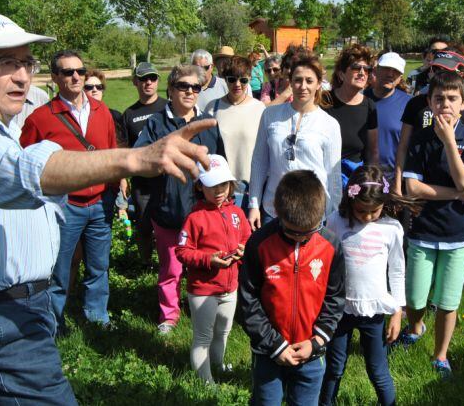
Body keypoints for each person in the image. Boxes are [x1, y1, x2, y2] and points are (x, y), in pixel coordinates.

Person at [0, 13, 216, 404]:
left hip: (13, 315)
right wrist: (137, 159)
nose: (22, 76)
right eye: (6, 63)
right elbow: (30, 172)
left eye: (26, 62)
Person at [21, 50, 118, 333]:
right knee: (59, 270)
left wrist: (112, 194)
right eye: (67, 72)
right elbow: (27, 164)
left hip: (100, 203)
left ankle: (97, 316)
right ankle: (54, 322)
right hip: (64, 206)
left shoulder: (103, 113)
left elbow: (111, 154)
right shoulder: (41, 118)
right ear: (54, 77)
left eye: (80, 70)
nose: (76, 76)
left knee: (99, 266)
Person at [400, 71, 464, 379]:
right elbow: (413, 189)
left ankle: (440, 354)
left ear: (463, 105)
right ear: (429, 103)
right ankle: (415, 326)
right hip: (423, 230)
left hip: (459, 233)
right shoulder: (420, 138)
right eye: (439, 99)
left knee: (448, 301)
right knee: (414, 296)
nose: (445, 105)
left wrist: (449, 140)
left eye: (452, 99)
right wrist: (460, 194)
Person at [239, 170, 345, 405]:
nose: (299, 238)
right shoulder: (259, 244)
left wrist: (316, 341)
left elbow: (335, 298)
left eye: (307, 233)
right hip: (268, 353)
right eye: (291, 231)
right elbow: (248, 301)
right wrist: (274, 345)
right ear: (277, 212)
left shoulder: (331, 246)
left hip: (311, 353)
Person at [319, 165, 421, 406]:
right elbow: (326, 262)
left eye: (373, 211)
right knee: (334, 366)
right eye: (361, 210)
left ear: (383, 204)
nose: (366, 217)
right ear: (350, 199)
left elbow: (397, 271)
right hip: (340, 310)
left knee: (377, 370)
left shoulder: (391, 229)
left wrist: (397, 312)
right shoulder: (336, 221)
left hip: (374, 312)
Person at [134, 64, 225, 334]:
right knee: (171, 269)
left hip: (201, 211)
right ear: (171, 90)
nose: (189, 91)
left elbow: (219, 163)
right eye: (183, 86)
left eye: (195, 87)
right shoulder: (156, 123)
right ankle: (169, 317)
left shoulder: (207, 123)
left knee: (205, 265)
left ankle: (204, 309)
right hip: (168, 209)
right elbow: (140, 159)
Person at [175, 154, 250, 383]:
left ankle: (217, 366)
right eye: (212, 186)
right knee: (203, 337)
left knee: (223, 332)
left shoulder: (237, 213)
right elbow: (182, 251)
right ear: (200, 186)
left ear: (230, 185)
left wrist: (243, 251)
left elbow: (248, 238)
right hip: (203, 290)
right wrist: (209, 260)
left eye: (223, 185)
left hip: (230, 288)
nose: (219, 191)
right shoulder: (195, 217)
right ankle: (205, 382)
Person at [248, 52, 342, 230]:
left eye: (309, 80)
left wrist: (332, 214)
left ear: (318, 84)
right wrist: (254, 204)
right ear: (290, 82)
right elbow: (259, 161)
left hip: (313, 213)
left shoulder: (329, 124)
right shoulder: (270, 115)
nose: (303, 86)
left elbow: (333, 174)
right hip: (274, 209)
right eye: (298, 80)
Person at [392, 49, 464, 197]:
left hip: (460, 185)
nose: (440, 74)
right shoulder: (416, 102)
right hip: (423, 179)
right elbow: (403, 145)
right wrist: (397, 183)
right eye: (436, 69)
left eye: (445, 70)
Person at [122, 62, 168, 268]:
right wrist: (123, 178)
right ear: (135, 82)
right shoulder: (129, 114)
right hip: (142, 181)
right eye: (143, 78)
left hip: (168, 178)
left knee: (171, 224)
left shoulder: (168, 107)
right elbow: (124, 149)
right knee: (143, 226)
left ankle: (172, 263)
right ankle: (146, 263)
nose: (148, 82)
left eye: (152, 78)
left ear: (158, 81)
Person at [205, 56, 265, 211]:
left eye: (243, 80)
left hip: (251, 189)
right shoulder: (213, 108)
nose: (237, 85)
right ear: (225, 80)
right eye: (232, 79)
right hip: (222, 189)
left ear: (250, 79)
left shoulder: (260, 109)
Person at [324, 44, 379, 170]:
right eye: (356, 68)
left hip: (354, 179)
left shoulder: (369, 106)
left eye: (366, 69)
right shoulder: (323, 101)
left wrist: (372, 180)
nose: (362, 73)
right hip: (323, 174)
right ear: (341, 74)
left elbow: (373, 152)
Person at [365, 52, 412, 171]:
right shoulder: (360, 99)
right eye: (386, 69)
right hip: (361, 175)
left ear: (401, 77)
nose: (390, 74)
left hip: (395, 177)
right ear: (376, 71)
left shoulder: (410, 104)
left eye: (395, 71)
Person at [85, 69, 125, 146]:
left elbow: (123, 143)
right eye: (89, 87)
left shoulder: (115, 115)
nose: (94, 90)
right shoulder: (78, 116)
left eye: (99, 87)